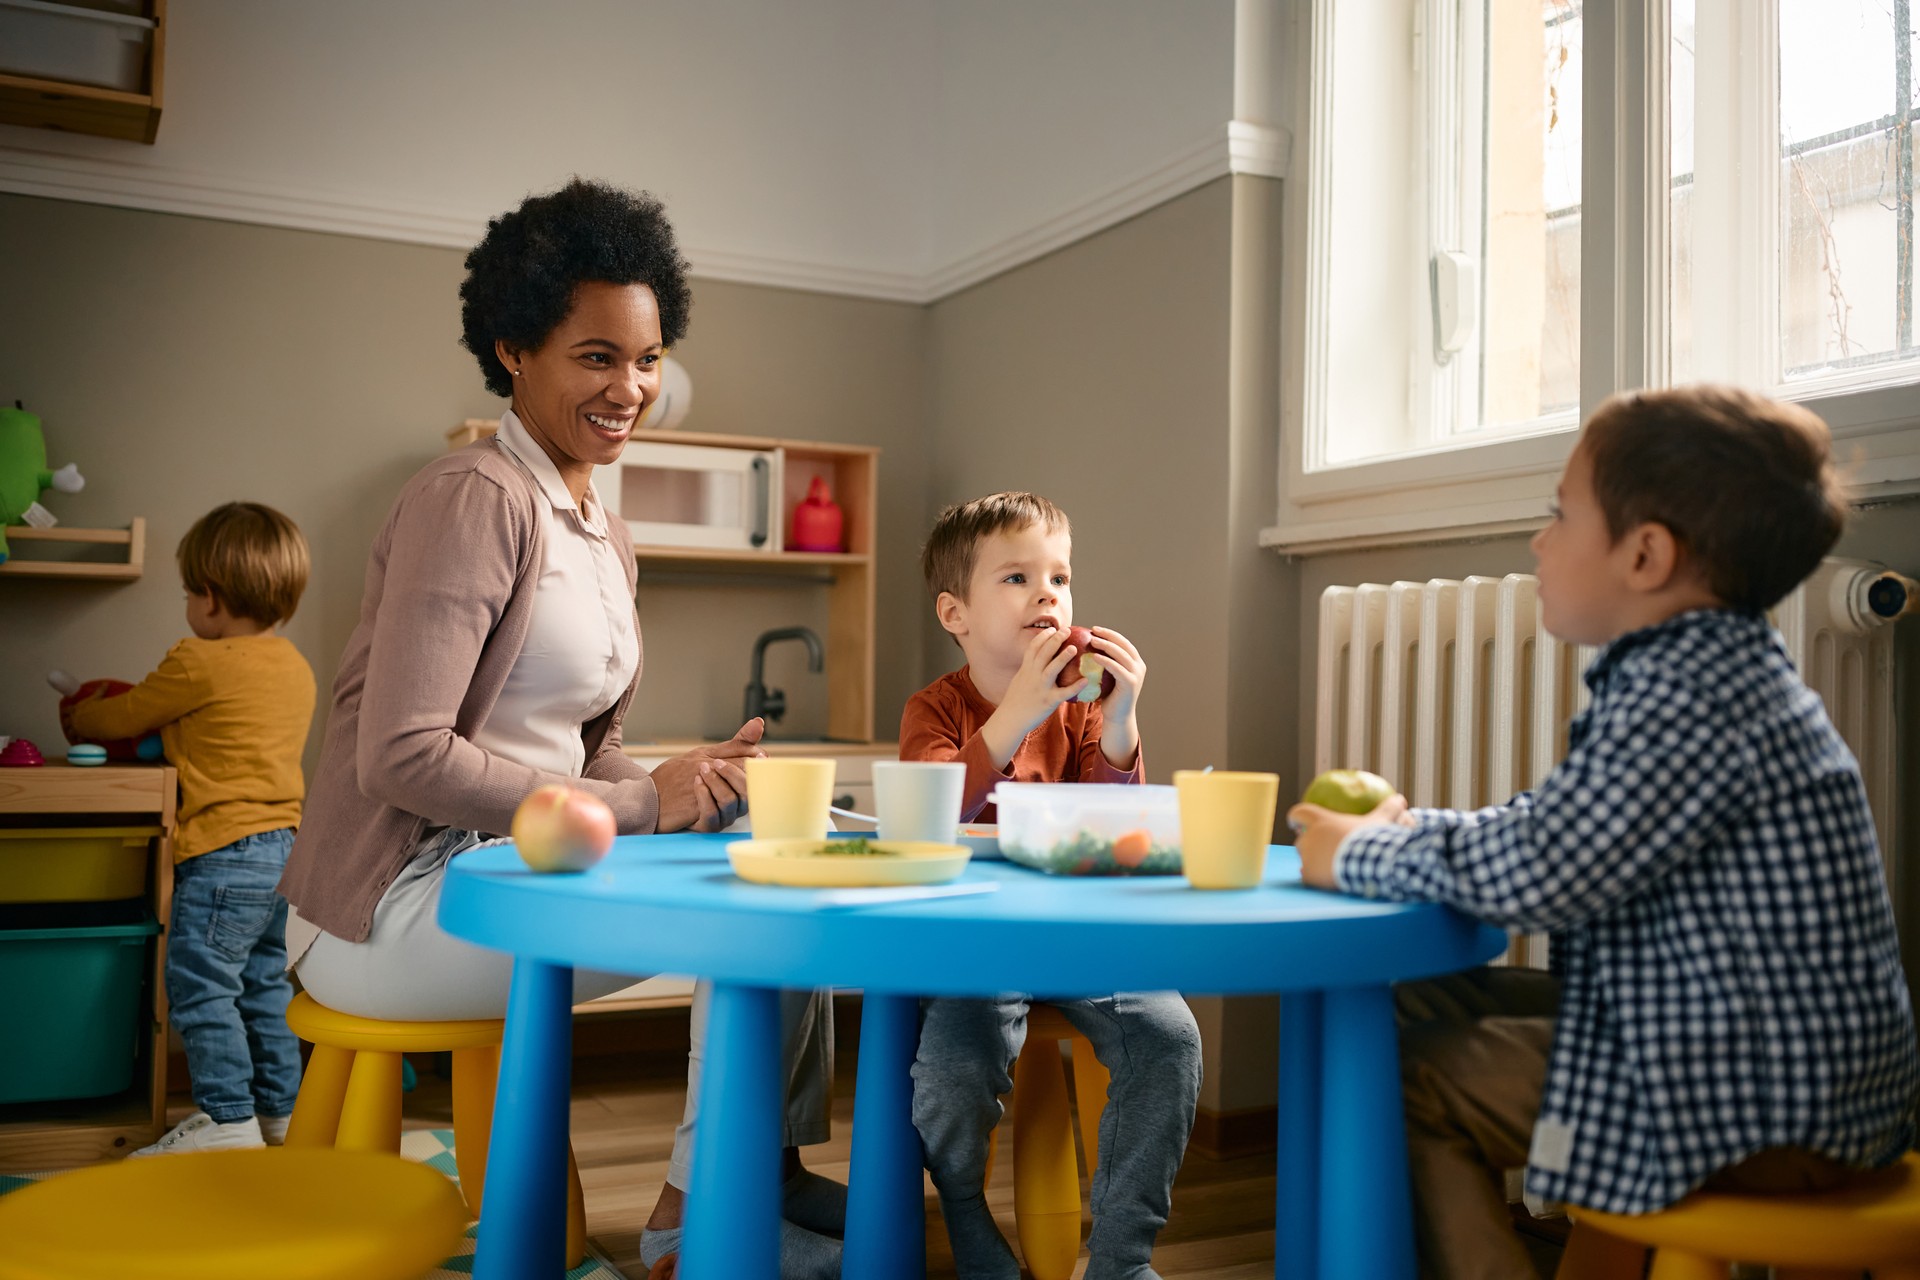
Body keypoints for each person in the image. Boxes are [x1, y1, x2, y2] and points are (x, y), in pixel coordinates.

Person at [274, 179, 841, 1280]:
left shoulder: (603, 534)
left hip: (521, 861)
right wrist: (639, 805)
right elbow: (401, 752)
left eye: (647, 357)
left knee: (786, 864)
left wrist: (695, 783)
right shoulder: (471, 497)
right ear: (514, 349)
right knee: (763, 926)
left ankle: (728, 1182)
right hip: (396, 903)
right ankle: (710, 1213)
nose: (630, 387)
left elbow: (583, 755)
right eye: (596, 356)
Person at [1288, 385, 1920, 1280]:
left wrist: (1364, 853)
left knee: (1396, 1083)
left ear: (1647, 553)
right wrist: (1412, 827)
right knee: (1406, 1002)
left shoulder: (1688, 696)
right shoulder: (1708, 670)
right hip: (1757, 1058)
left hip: (1768, 1097)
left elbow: (1551, 869)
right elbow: (1562, 824)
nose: (1540, 540)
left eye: (1560, 515)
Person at [899, 491, 1202, 1280]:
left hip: (1080, 939)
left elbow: (1115, 837)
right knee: (954, 1072)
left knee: (1171, 1039)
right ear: (954, 613)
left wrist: (1125, 718)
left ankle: (1122, 1258)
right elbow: (926, 818)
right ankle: (964, 1213)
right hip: (975, 947)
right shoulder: (934, 709)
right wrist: (1014, 718)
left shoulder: (1083, 711)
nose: (1047, 595)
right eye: (1016, 578)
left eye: (1060, 578)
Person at [62, 502, 317, 1156]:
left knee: (202, 987)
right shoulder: (294, 666)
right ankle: (280, 1115)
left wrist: (81, 715)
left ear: (209, 599)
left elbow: (127, 716)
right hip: (283, 853)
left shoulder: (196, 661)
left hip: (224, 856)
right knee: (262, 987)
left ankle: (226, 1122)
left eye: (186, 592)